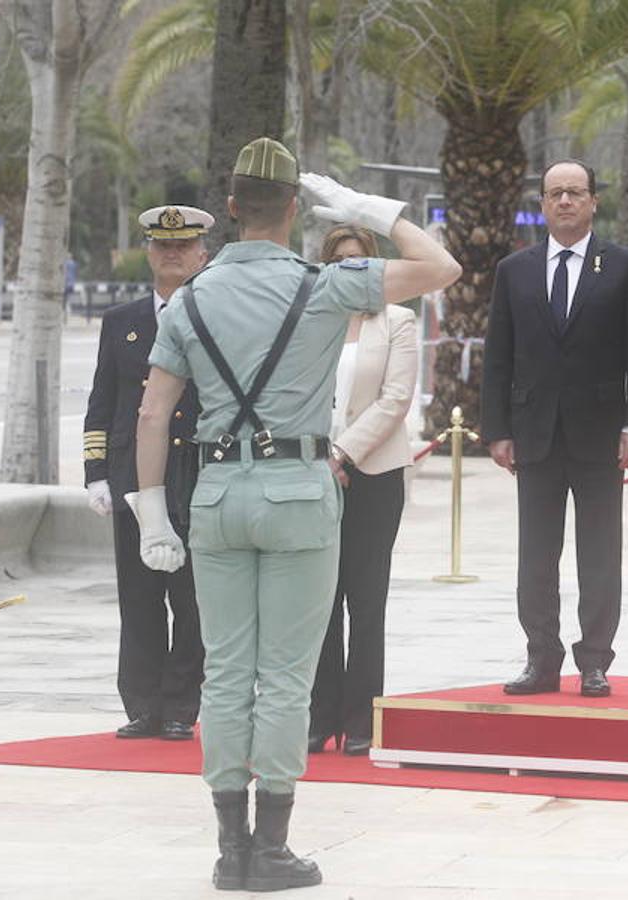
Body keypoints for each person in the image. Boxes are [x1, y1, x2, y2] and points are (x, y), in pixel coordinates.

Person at [128, 137, 460, 892]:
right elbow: (442, 269)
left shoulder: (193, 297)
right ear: (293, 211)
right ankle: (270, 845)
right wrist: (368, 210)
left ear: (234, 207)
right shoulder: (329, 284)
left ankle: (227, 847)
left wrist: (152, 514)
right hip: (300, 493)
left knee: (225, 672)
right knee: (284, 674)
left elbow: (153, 413)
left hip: (214, 497)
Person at [481, 158, 628, 699]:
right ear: (541, 204)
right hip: (534, 433)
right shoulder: (515, 270)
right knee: (536, 554)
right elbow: (499, 356)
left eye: (575, 192)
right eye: (555, 193)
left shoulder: (623, 267)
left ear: (593, 201)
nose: (565, 202)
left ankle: (595, 660)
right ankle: (541, 658)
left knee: (600, 553)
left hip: (601, 435)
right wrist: (497, 431)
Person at [83, 204, 211, 740]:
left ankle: (181, 705)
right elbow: (103, 401)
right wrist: (96, 471)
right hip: (133, 473)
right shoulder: (122, 322)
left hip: (195, 471)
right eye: (162, 246)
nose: (172, 253)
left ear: (203, 253)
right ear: (150, 253)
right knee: (138, 594)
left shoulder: (214, 316)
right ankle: (142, 702)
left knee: (191, 595)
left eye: (182, 246)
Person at [308, 225, 417, 756]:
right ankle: (318, 713)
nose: (349, 268)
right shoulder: (312, 321)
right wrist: (315, 457)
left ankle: (360, 719)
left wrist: (341, 453)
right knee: (317, 601)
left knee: (364, 599)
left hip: (372, 476)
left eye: (359, 261)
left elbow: (395, 399)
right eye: (339, 260)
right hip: (310, 476)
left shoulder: (397, 320)